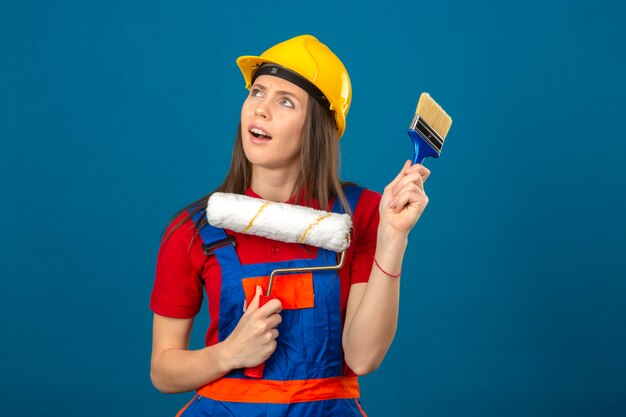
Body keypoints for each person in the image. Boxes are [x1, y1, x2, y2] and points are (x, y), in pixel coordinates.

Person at [150, 34, 431, 416]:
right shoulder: (195, 229)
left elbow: (363, 357)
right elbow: (163, 371)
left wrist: (393, 237)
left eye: (285, 102)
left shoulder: (363, 215)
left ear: (317, 127)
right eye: (257, 92)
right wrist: (229, 353)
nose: (261, 110)